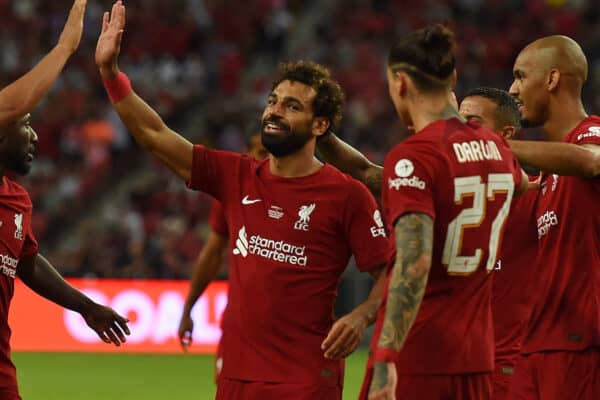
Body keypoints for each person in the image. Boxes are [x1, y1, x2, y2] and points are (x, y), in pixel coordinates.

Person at [96, 2, 393, 399]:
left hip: (306, 378)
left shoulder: (347, 195)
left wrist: (362, 315)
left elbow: (392, 271)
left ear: (320, 125)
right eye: (273, 101)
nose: (274, 111)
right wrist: (111, 75)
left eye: (292, 106)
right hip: (237, 374)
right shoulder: (236, 175)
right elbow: (156, 134)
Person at [360, 25, 528, 400]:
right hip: (476, 356)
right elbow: (517, 185)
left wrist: (386, 356)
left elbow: (414, 263)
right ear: (452, 78)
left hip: (420, 355)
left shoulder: (413, 157)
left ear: (400, 83)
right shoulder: (497, 148)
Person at [0, 2, 130, 399]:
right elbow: (8, 106)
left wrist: (85, 306)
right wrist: (64, 49)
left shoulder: (16, 200)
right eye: (26, 125)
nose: (35, 136)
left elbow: (28, 262)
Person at [506, 35, 600, 400]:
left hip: (581, 344)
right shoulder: (545, 176)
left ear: (551, 79)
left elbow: (592, 160)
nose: (512, 89)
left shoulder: (591, 134)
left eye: (520, 75)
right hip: (534, 346)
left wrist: (498, 145)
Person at [178, 133, 268, 383]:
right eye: (261, 152)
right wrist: (188, 308)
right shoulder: (236, 195)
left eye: (271, 152)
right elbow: (212, 254)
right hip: (239, 324)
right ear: (247, 153)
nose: (266, 159)